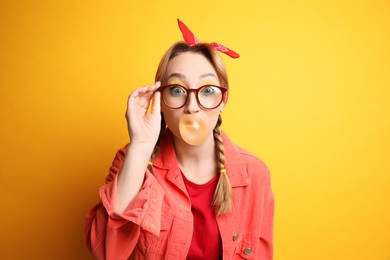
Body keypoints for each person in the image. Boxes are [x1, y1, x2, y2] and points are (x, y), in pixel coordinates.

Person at [85, 19, 274, 260]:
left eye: (207, 90)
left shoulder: (255, 175)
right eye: (176, 90)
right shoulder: (132, 161)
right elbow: (105, 253)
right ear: (161, 100)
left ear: (224, 100)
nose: (192, 106)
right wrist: (141, 146)